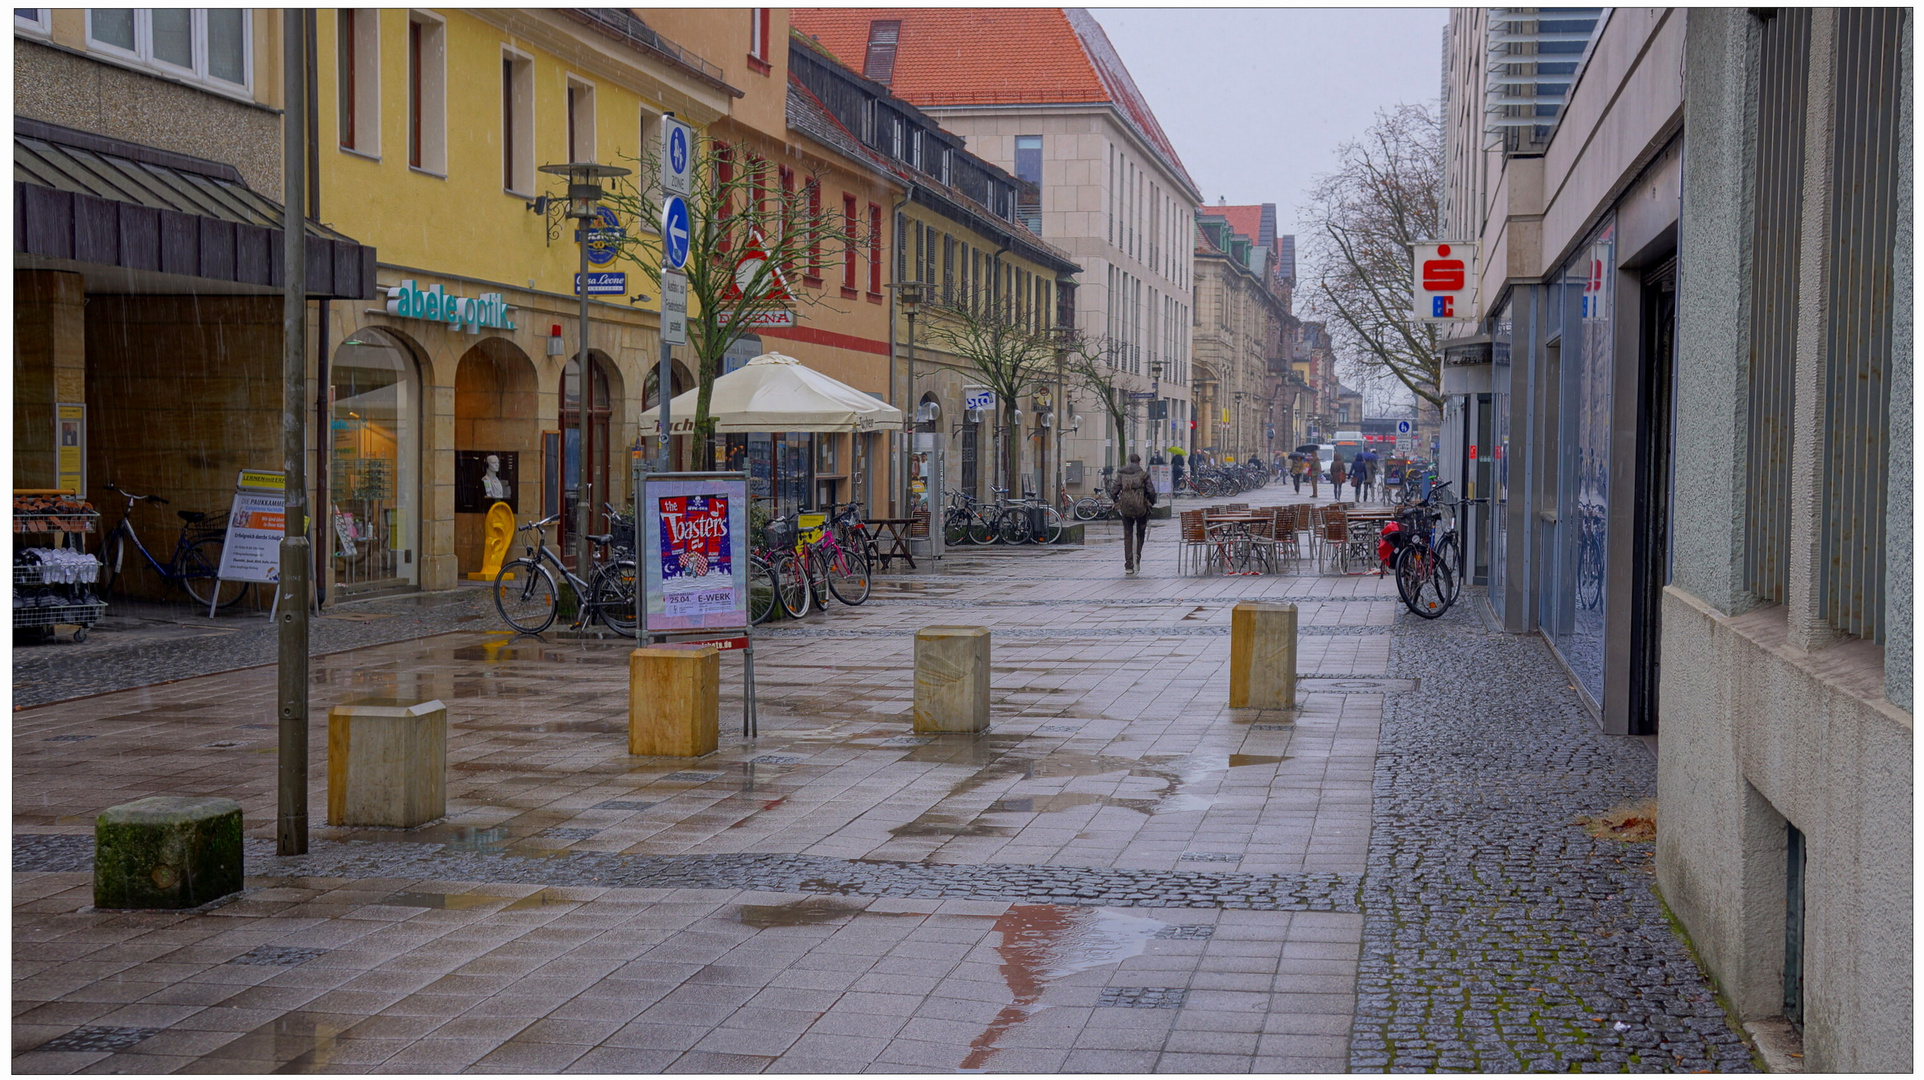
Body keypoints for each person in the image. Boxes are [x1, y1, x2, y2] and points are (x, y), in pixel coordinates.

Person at [1107, 452, 1157, 575]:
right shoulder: (1144, 475)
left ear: (1130, 461)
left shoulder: (1121, 475)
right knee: (1140, 533)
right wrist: (1151, 502)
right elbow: (1151, 491)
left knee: (1128, 534)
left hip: (1126, 508)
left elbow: (1113, 491)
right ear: (1139, 461)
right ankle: (1137, 557)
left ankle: (1128, 564)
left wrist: (1117, 501)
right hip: (1141, 508)